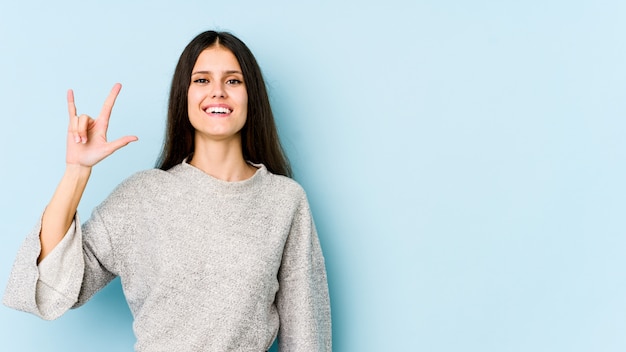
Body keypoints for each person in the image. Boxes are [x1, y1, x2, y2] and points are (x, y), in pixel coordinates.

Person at [3, 30, 331, 351]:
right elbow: (51, 287)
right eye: (202, 80)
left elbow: (307, 336)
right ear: (184, 96)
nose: (218, 91)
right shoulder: (142, 196)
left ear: (251, 97)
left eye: (233, 81)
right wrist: (77, 170)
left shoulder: (284, 201)